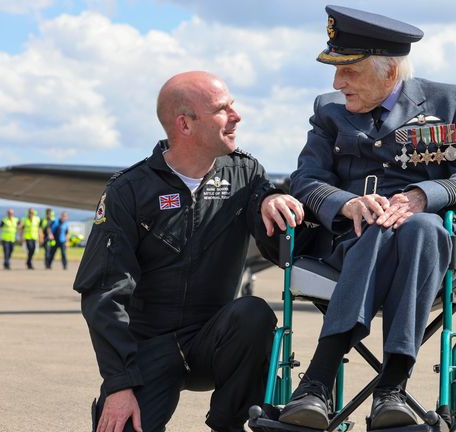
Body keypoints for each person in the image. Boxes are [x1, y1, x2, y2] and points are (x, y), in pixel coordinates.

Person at [279, 6, 456, 430]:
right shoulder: (328, 110)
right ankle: (390, 391)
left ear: (389, 73)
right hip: (350, 245)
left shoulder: (450, 103)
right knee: (390, 224)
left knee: (418, 225)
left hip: (430, 251)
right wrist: (345, 203)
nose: (337, 82)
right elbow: (305, 180)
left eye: (349, 71)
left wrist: (423, 195)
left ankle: (318, 383)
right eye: (335, 70)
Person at [73, 71, 304, 432]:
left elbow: (280, 250)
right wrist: (119, 384)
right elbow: (104, 294)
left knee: (254, 314)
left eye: (233, 105)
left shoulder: (246, 173)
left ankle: (231, 424)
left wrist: (275, 200)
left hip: (212, 340)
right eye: (222, 109)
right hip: (148, 346)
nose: (236, 116)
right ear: (184, 124)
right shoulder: (128, 190)